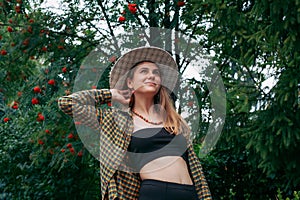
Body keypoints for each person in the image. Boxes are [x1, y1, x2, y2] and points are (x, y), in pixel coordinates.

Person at [58, 46, 212, 200]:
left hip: (189, 193)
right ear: (130, 82)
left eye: (156, 72)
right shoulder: (115, 119)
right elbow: (67, 103)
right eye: (144, 71)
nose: (151, 75)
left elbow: (196, 170)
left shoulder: (173, 119)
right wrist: (111, 94)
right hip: (154, 192)